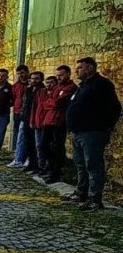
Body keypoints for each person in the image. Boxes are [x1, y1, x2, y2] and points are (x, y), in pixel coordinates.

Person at [63, 57, 121, 211]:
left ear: (90, 68)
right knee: (80, 164)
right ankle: (81, 193)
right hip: (78, 132)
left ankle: (95, 199)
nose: (76, 70)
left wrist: (105, 127)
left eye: (80, 68)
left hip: (93, 133)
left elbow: (115, 108)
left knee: (93, 165)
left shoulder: (101, 84)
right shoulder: (83, 86)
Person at [39, 65, 77, 184]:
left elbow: (58, 102)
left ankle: (56, 172)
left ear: (68, 74)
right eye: (57, 75)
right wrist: (52, 102)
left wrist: (52, 103)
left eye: (61, 75)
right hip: (49, 120)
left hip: (59, 121)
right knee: (43, 146)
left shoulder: (71, 88)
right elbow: (46, 102)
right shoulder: (56, 87)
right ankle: (52, 167)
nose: (59, 77)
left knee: (57, 147)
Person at [20, 71, 45, 174]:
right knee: (27, 143)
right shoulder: (29, 89)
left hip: (36, 120)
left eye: (37, 79)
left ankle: (39, 166)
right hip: (26, 119)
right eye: (32, 79)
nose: (34, 81)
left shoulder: (42, 90)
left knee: (37, 144)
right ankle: (31, 163)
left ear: (41, 79)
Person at [32, 75, 56, 176]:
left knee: (47, 146)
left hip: (49, 123)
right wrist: (32, 120)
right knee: (39, 146)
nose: (49, 85)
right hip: (38, 122)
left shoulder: (56, 92)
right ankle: (41, 166)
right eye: (47, 82)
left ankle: (48, 166)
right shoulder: (40, 92)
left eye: (51, 82)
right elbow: (35, 107)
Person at [7, 64, 30, 168]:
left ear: (27, 72)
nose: (21, 75)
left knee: (25, 136)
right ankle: (19, 157)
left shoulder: (31, 84)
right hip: (17, 112)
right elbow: (13, 98)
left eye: (22, 73)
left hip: (28, 114)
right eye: (19, 73)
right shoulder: (15, 86)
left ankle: (22, 158)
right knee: (18, 135)